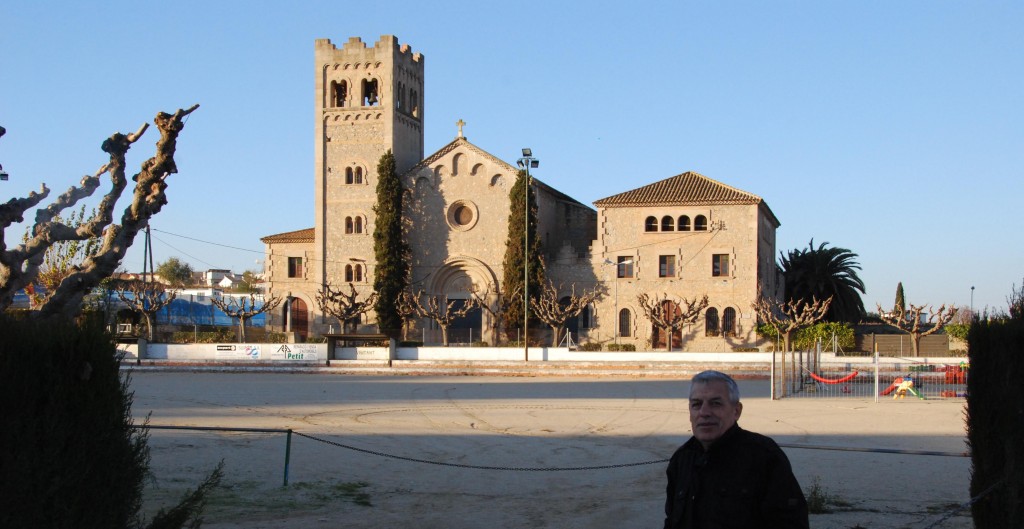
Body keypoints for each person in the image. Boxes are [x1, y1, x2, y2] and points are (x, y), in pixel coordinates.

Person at [664, 370, 809, 528]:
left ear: (736, 411)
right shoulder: (682, 460)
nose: (704, 412)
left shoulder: (764, 458)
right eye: (696, 404)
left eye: (716, 403)